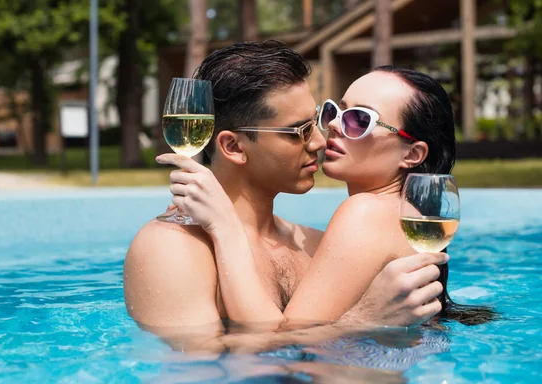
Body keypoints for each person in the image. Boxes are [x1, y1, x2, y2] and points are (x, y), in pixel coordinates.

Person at [123, 41, 448, 352]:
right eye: (300, 130)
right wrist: (360, 321)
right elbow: (202, 373)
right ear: (234, 147)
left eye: (316, 121)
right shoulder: (171, 247)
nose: (320, 141)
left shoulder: (315, 244)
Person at [158, 60, 497, 327]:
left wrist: (225, 226)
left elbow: (280, 344)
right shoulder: (403, 218)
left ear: (412, 154)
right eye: (334, 111)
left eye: (359, 119)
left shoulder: (363, 213)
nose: (333, 125)